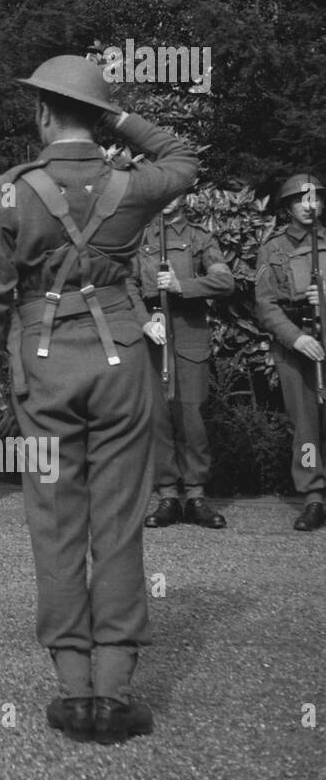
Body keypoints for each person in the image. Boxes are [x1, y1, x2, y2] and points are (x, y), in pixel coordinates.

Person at [0, 56, 197, 745]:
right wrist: (119, 119)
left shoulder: (11, 192)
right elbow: (182, 157)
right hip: (119, 358)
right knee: (119, 520)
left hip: (43, 369)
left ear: (41, 112)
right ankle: (114, 692)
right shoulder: (127, 183)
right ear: (96, 117)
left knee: (55, 522)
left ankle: (72, 692)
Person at [136, 194, 234, 530]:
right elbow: (124, 285)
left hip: (189, 333)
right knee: (158, 417)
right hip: (153, 335)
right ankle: (167, 495)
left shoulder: (200, 237)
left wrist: (183, 285)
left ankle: (195, 495)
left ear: (183, 196)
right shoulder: (139, 237)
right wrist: (143, 322)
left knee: (191, 416)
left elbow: (224, 280)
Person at [254, 174, 326, 531]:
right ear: (287, 207)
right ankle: (313, 496)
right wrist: (295, 338)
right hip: (296, 342)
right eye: (302, 200)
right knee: (305, 426)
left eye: (315, 199)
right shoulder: (273, 248)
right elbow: (265, 305)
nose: (310, 206)